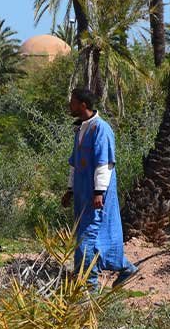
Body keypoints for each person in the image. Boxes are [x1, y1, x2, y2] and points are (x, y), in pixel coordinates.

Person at [62, 87, 139, 290]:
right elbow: (74, 163)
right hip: (81, 194)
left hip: (96, 195)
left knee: (87, 237)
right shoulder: (80, 129)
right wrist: (70, 190)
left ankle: (90, 286)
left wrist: (98, 193)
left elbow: (104, 164)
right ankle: (125, 267)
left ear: (83, 105)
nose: (70, 105)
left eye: (73, 101)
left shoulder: (101, 129)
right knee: (93, 235)